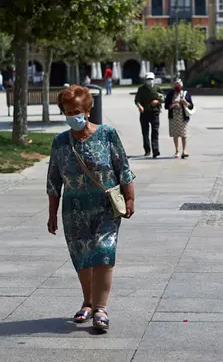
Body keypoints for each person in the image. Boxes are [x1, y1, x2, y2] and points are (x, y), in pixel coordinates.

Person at [47, 85, 136, 331]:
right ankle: (88, 302)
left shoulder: (107, 134)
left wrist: (130, 198)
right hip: (74, 209)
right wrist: (52, 213)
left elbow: (123, 168)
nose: (72, 116)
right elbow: (53, 180)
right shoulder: (60, 142)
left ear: (87, 110)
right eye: (67, 112)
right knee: (82, 256)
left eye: (76, 111)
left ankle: (101, 308)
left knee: (104, 251)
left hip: (105, 207)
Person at [134, 72, 164, 158]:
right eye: (148, 79)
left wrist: (157, 101)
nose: (150, 81)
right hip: (144, 113)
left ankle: (155, 150)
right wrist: (139, 106)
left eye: (151, 79)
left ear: (154, 79)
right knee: (145, 132)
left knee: (155, 131)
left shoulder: (157, 88)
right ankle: (147, 150)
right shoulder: (141, 89)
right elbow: (137, 100)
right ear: (145, 80)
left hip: (155, 112)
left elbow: (162, 98)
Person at [165, 79, 194, 158]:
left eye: (179, 85)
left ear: (181, 85)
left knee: (184, 134)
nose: (177, 86)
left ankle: (184, 151)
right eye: (176, 84)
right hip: (173, 118)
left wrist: (185, 102)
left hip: (183, 117)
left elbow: (191, 106)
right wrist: (173, 105)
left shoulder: (185, 94)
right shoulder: (170, 94)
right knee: (175, 135)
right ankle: (177, 150)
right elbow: (166, 106)